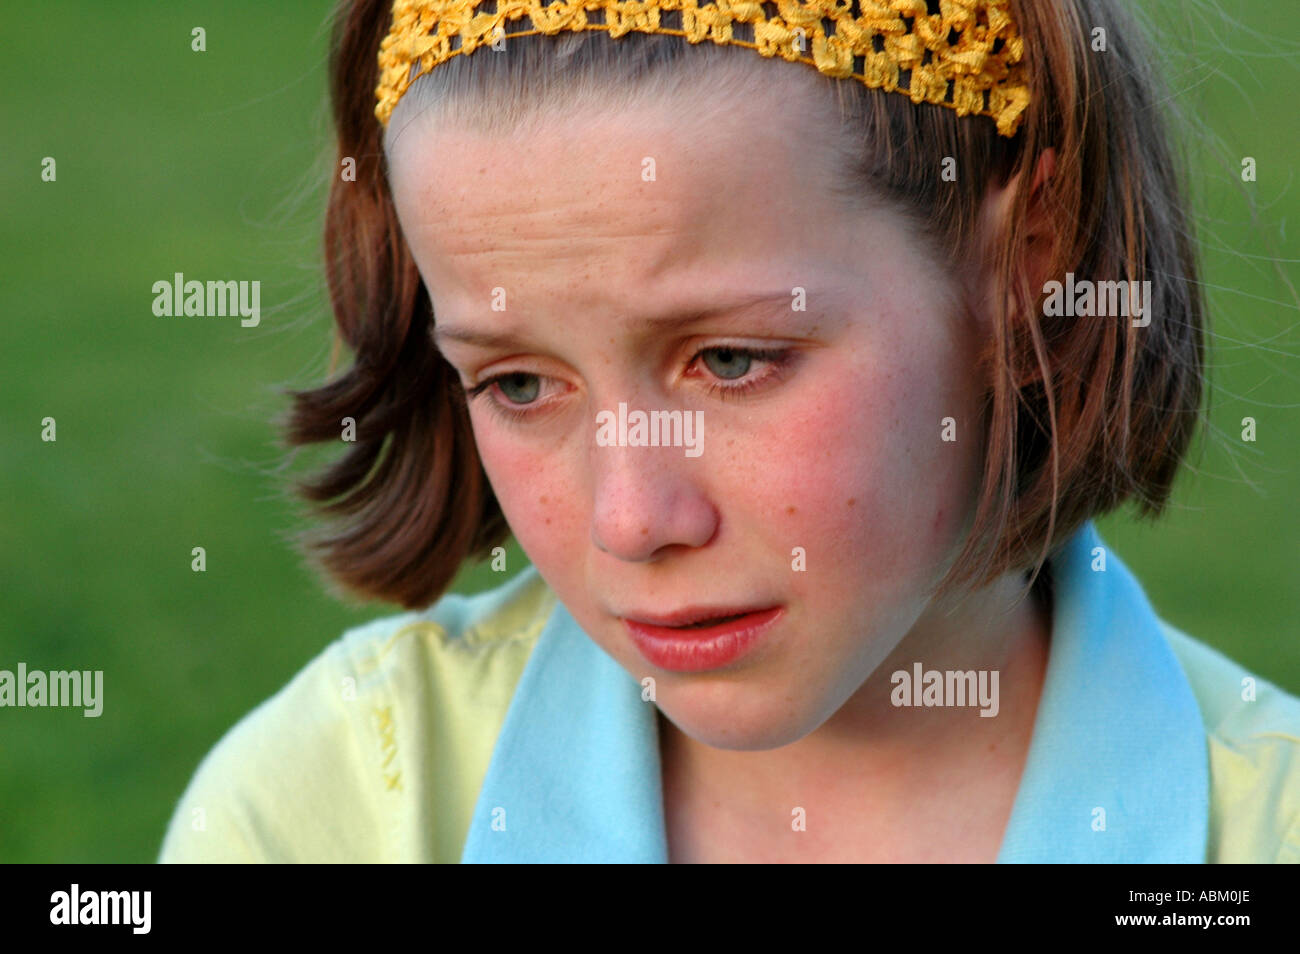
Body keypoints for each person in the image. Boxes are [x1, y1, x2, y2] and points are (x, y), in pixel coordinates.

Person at [159, 0, 1300, 863]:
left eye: (732, 361)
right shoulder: (333, 806)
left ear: (1027, 267)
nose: (631, 520)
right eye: (517, 385)